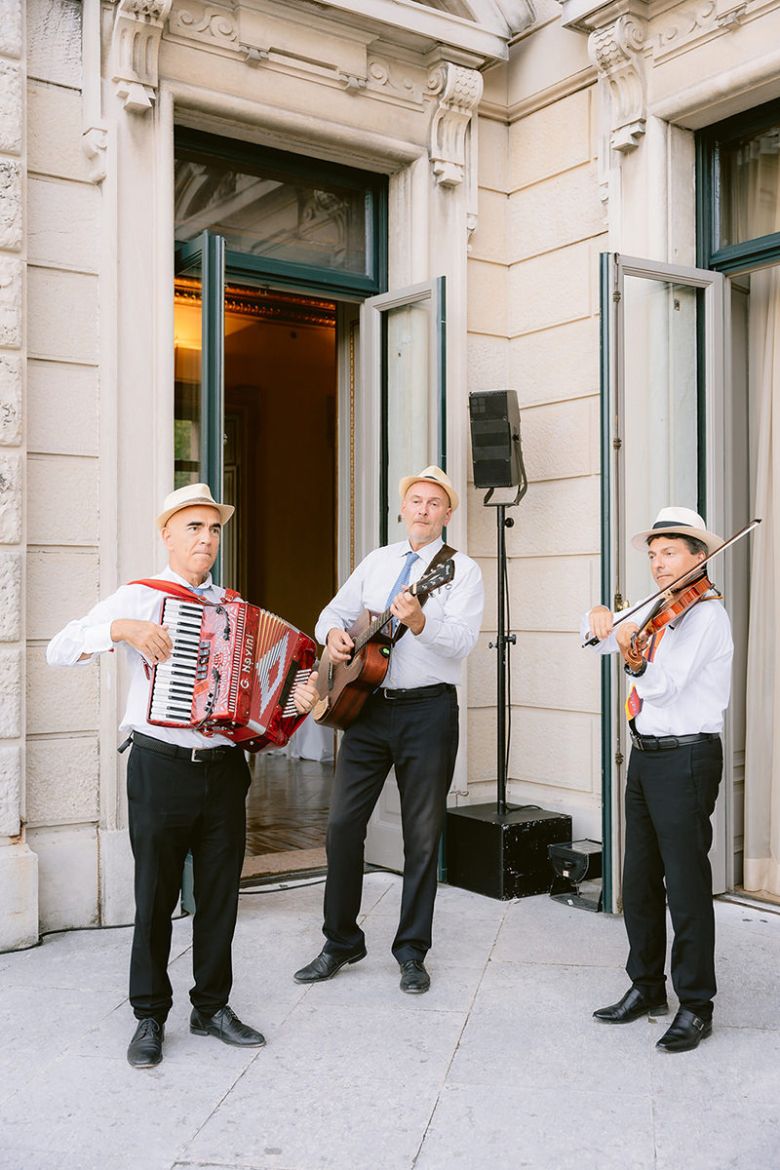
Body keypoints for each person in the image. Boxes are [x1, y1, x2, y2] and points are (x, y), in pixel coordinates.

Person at [47, 483, 319, 1068]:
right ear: (167, 534)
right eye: (194, 527)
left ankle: (211, 1007)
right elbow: (60, 648)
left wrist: (298, 695)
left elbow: (268, 696)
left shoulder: (235, 608)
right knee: (155, 898)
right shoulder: (141, 598)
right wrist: (120, 630)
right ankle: (149, 1015)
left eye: (214, 529)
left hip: (224, 770)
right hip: (160, 766)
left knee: (221, 896)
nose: (206, 538)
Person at [294, 465, 484, 995]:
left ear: (448, 514)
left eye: (434, 503)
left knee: (421, 837)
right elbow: (335, 612)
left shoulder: (460, 571)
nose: (422, 510)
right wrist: (333, 635)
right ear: (403, 509)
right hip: (367, 708)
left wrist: (422, 623)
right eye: (415, 501)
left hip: (428, 713)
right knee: (341, 826)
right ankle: (340, 941)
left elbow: (462, 642)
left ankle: (411, 951)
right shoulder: (378, 561)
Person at [583, 507, 733, 1052]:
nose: (658, 563)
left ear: (700, 556)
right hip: (646, 757)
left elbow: (662, 685)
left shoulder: (706, 615)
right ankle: (646, 987)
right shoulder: (657, 608)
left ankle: (697, 1004)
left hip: (688, 759)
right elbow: (595, 637)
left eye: (669, 552)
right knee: (639, 880)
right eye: (652, 554)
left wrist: (634, 659)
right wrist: (600, 616)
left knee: (686, 886)